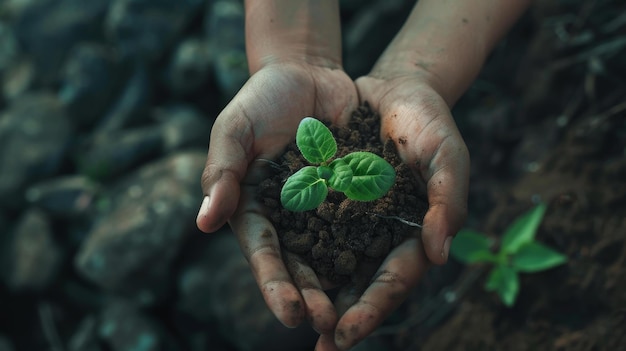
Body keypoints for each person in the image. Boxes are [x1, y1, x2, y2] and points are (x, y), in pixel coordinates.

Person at [196, 0, 531, 349]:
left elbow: (373, 178)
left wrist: (417, 73)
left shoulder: (343, 170)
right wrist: (294, 53)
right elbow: (298, 195)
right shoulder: (320, 170)